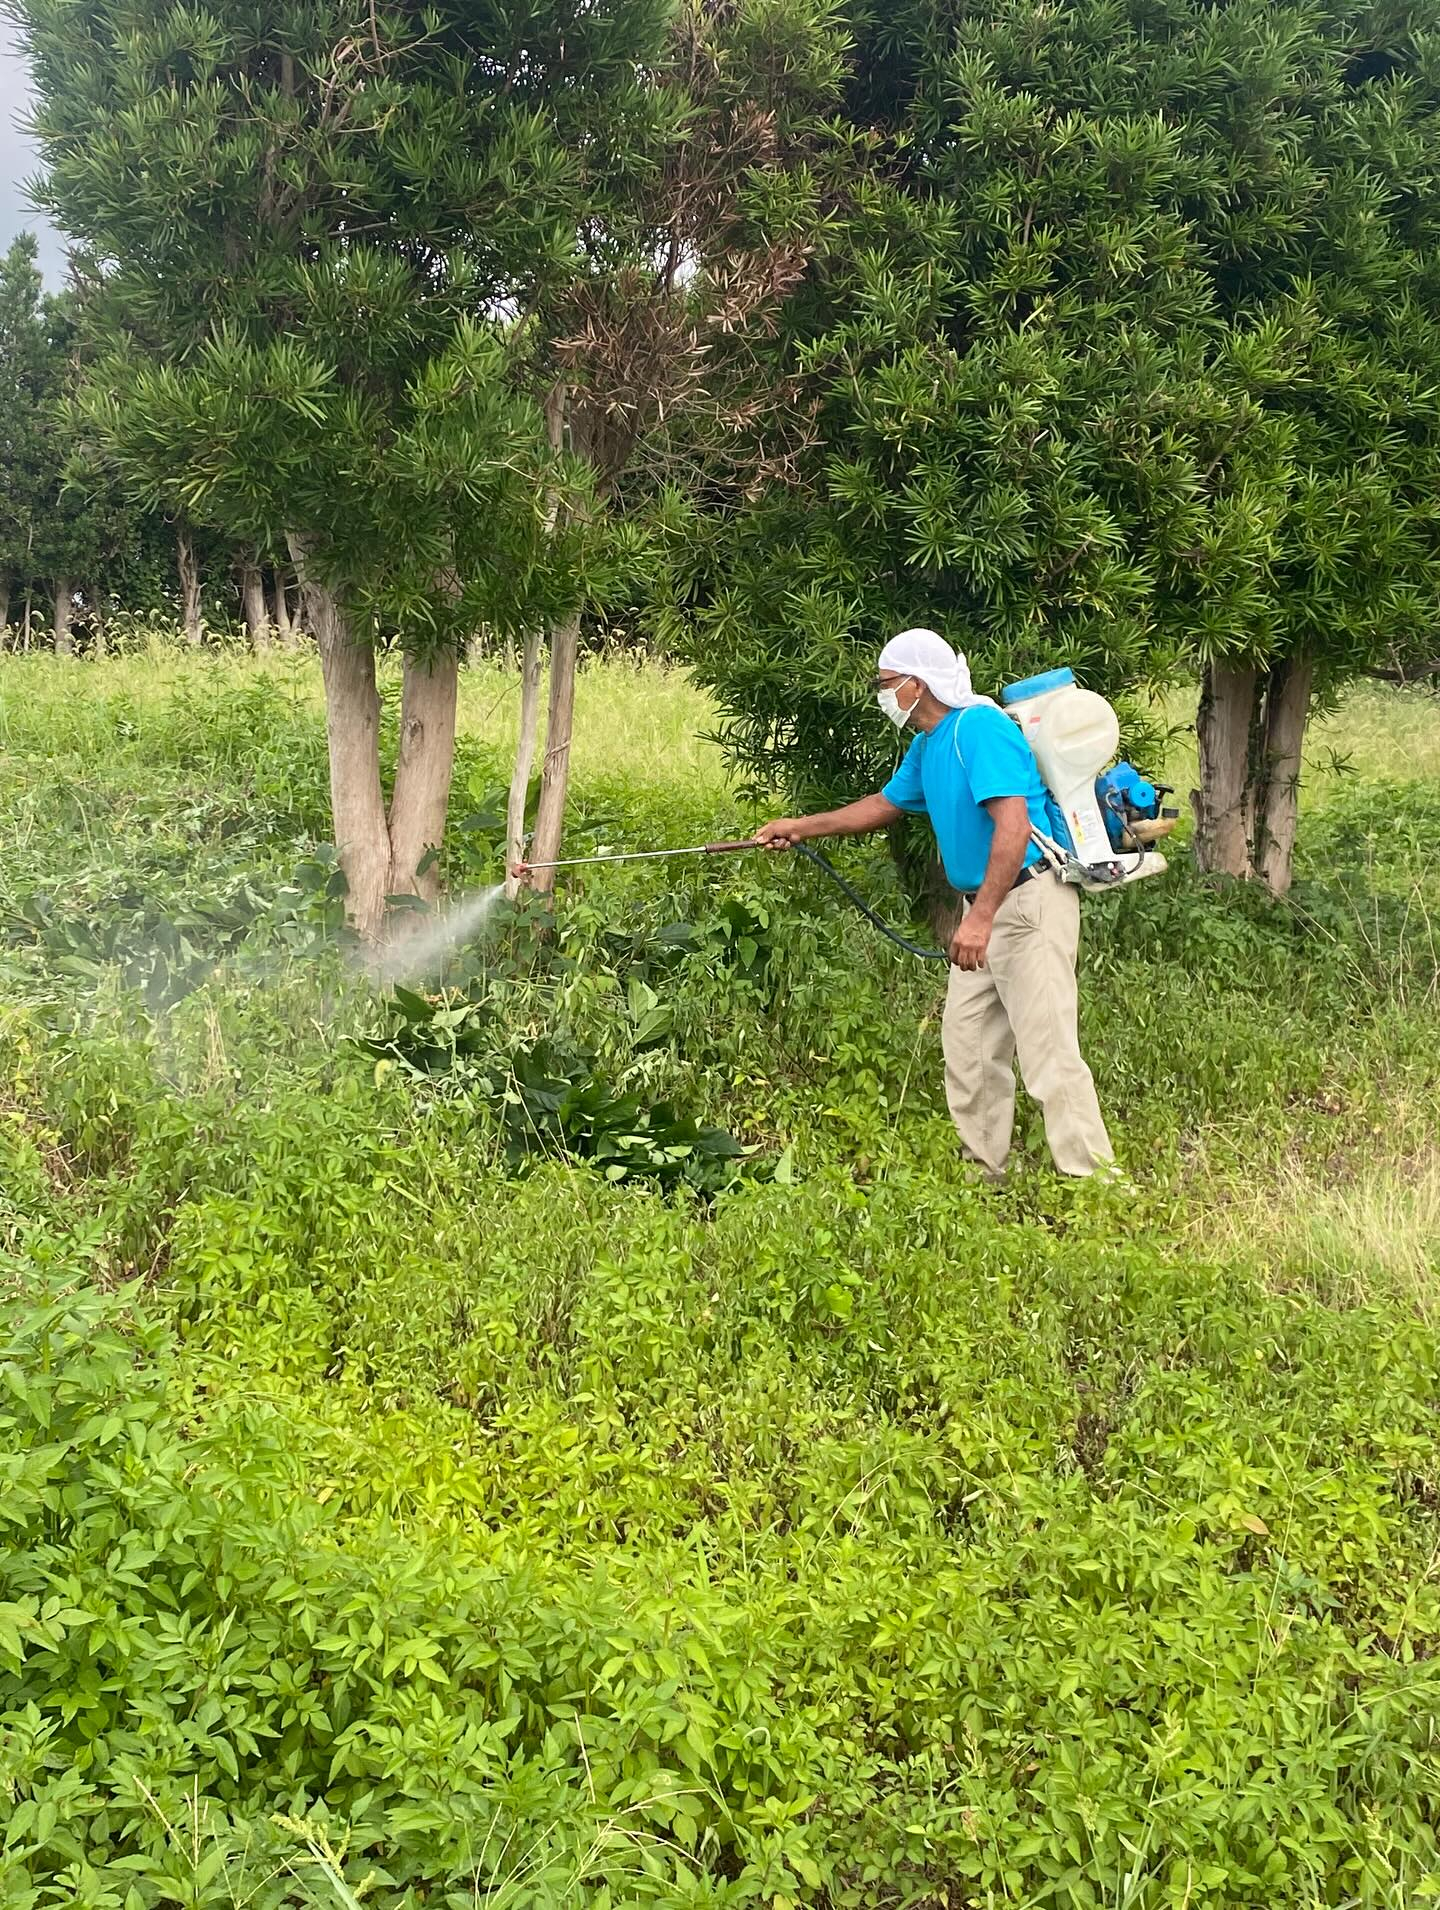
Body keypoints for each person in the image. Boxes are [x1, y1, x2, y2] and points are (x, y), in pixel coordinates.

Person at [756, 627, 1114, 1181]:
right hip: (986, 910)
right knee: (969, 1049)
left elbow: (1013, 827)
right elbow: (883, 804)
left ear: (916, 684)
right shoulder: (930, 743)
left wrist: (981, 917)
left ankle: (1094, 1184)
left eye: (885, 683)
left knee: (1049, 1054)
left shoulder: (980, 729)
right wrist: (798, 828)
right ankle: (983, 1173)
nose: (881, 693)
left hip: (1025, 905)